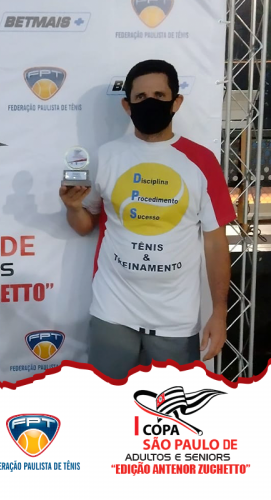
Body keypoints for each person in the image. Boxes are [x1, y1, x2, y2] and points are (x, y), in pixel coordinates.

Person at [60, 59, 235, 379]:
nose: (150, 102)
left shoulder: (202, 161)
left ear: (176, 102)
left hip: (176, 320)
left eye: (159, 95)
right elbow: (86, 226)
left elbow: (215, 243)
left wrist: (219, 314)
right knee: (106, 404)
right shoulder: (106, 156)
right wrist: (73, 208)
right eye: (140, 97)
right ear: (127, 106)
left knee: (169, 409)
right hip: (112, 313)